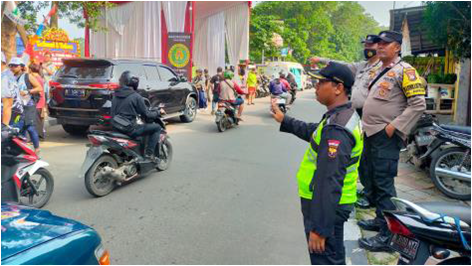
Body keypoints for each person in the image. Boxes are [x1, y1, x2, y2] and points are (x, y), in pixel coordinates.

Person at [271, 62, 363, 265]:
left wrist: (320, 229)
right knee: (332, 257)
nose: (316, 86)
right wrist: (285, 120)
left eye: (322, 82)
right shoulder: (341, 116)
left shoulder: (338, 129)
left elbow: (329, 180)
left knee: (325, 260)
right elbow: (314, 132)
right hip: (330, 205)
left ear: (338, 87)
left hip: (326, 206)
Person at [357, 31, 426, 252]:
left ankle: (390, 236)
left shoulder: (406, 71)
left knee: (384, 185)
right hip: (370, 133)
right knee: (370, 179)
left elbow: (418, 104)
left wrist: (393, 127)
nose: (380, 47)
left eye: (386, 44)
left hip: (384, 136)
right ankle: (380, 220)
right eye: (379, 43)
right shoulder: (380, 69)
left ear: (397, 47)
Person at [311, 34, 382, 209]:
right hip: (359, 116)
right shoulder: (362, 66)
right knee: (362, 161)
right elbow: (340, 65)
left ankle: (381, 212)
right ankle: (369, 195)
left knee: (378, 168)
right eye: (365, 45)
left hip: (376, 123)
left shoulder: (385, 68)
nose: (367, 48)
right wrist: (320, 59)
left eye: (370, 45)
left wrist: (393, 126)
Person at [111, 71, 162, 161]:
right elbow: (147, 115)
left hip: (115, 126)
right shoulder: (136, 97)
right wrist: (158, 112)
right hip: (128, 129)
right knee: (157, 127)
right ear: (134, 82)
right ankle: (148, 155)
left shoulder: (115, 94)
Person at [9, 57, 42, 154]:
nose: (13, 68)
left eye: (15, 66)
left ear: (21, 67)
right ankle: (22, 149)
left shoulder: (27, 76)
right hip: (16, 107)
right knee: (19, 128)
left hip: (28, 105)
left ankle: (36, 149)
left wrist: (27, 91)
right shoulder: (10, 78)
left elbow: (39, 88)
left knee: (30, 127)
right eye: (11, 65)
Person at [29, 63, 47, 140]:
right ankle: (40, 135)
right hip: (41, 100)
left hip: (38, 100)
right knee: (39, 119)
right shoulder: (39, 77)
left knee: (37, 119)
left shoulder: (35, 78)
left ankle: (39, 136)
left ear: (30, 69)